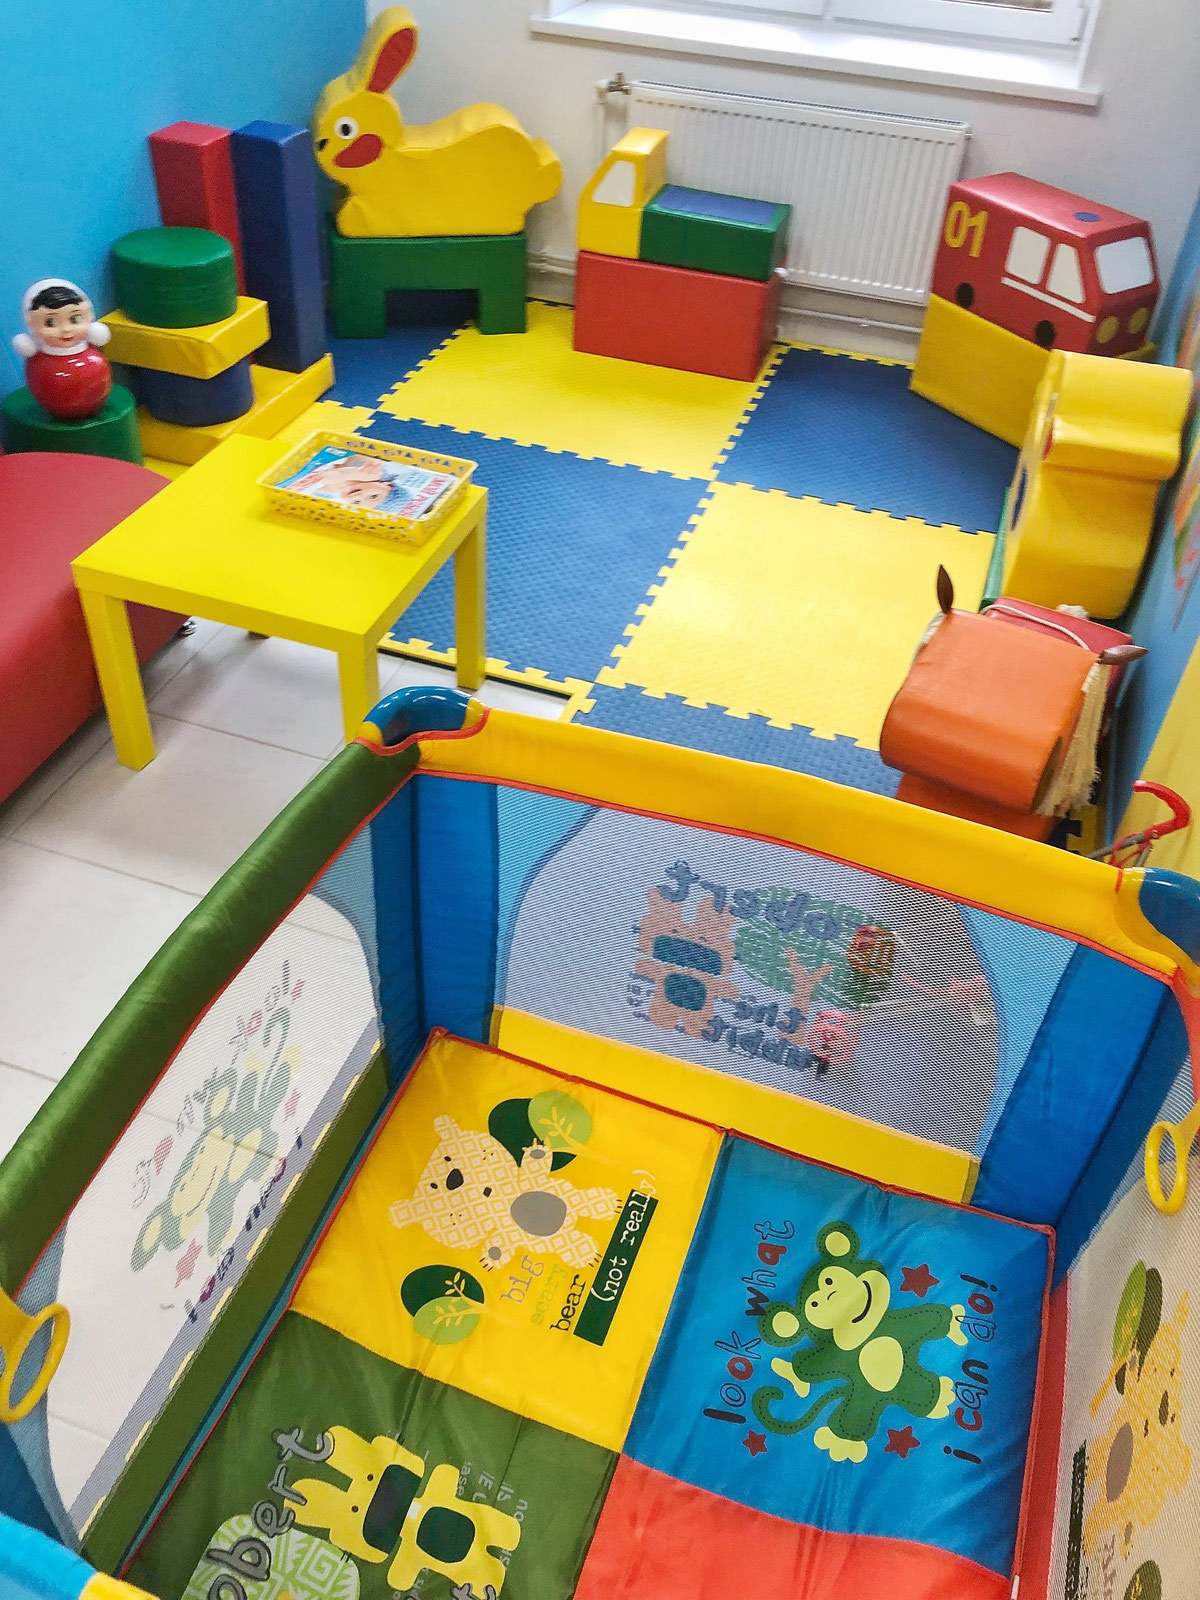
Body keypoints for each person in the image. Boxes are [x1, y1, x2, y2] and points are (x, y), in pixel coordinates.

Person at [13, 279, 112, 419]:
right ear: (32, 325)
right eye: (50, 322)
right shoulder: (38, 363)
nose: (66, 329)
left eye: (74, 319)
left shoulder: (94, 357)